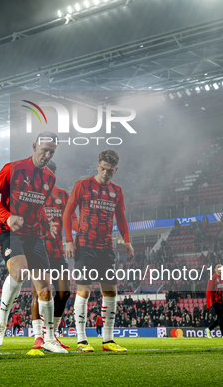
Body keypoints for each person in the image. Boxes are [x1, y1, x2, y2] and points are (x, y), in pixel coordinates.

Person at [0, 132, 66, 353]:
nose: (47, 155)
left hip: (34, 234)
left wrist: (46, 223)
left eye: (52, 152)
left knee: (45, 289)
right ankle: (0, 323)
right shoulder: (14, 168)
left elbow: (38, 205)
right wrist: (6, 216)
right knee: (19, 272)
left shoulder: (50, 177)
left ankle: (49, 339)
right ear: (34, 147)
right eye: (44, 150)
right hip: (9, 231)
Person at [64, 149, 134, 353]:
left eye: (110, 171)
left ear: (116, 170)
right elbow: (67, 213)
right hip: (84, 247)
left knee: (111, 291)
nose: (106, 174)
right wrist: (69, 240)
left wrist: (127, 241)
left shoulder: (117, 191)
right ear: (98, 165)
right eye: (103, 169)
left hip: (106, 249)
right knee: (84, 291)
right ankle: (81, 340)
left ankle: (108, 340)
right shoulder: (82, 185)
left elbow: (120, 218)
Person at [30, 160, 78, 350]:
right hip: (37, 249)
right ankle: (39, 336)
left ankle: (52, 333)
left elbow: (72, 219)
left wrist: (80, 231)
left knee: (65, 292)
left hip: (57, 251)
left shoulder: (62, 195)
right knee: (38, 292)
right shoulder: (32, 196)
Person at [204, 263, 223, 339]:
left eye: (221, 267)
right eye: (218, 267)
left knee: (221, 317)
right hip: (215, 301)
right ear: (215, 269)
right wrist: (208, 304)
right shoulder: (212, 278)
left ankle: (208, 329)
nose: (220, 268)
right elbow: (208, 291)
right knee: (221, 317)